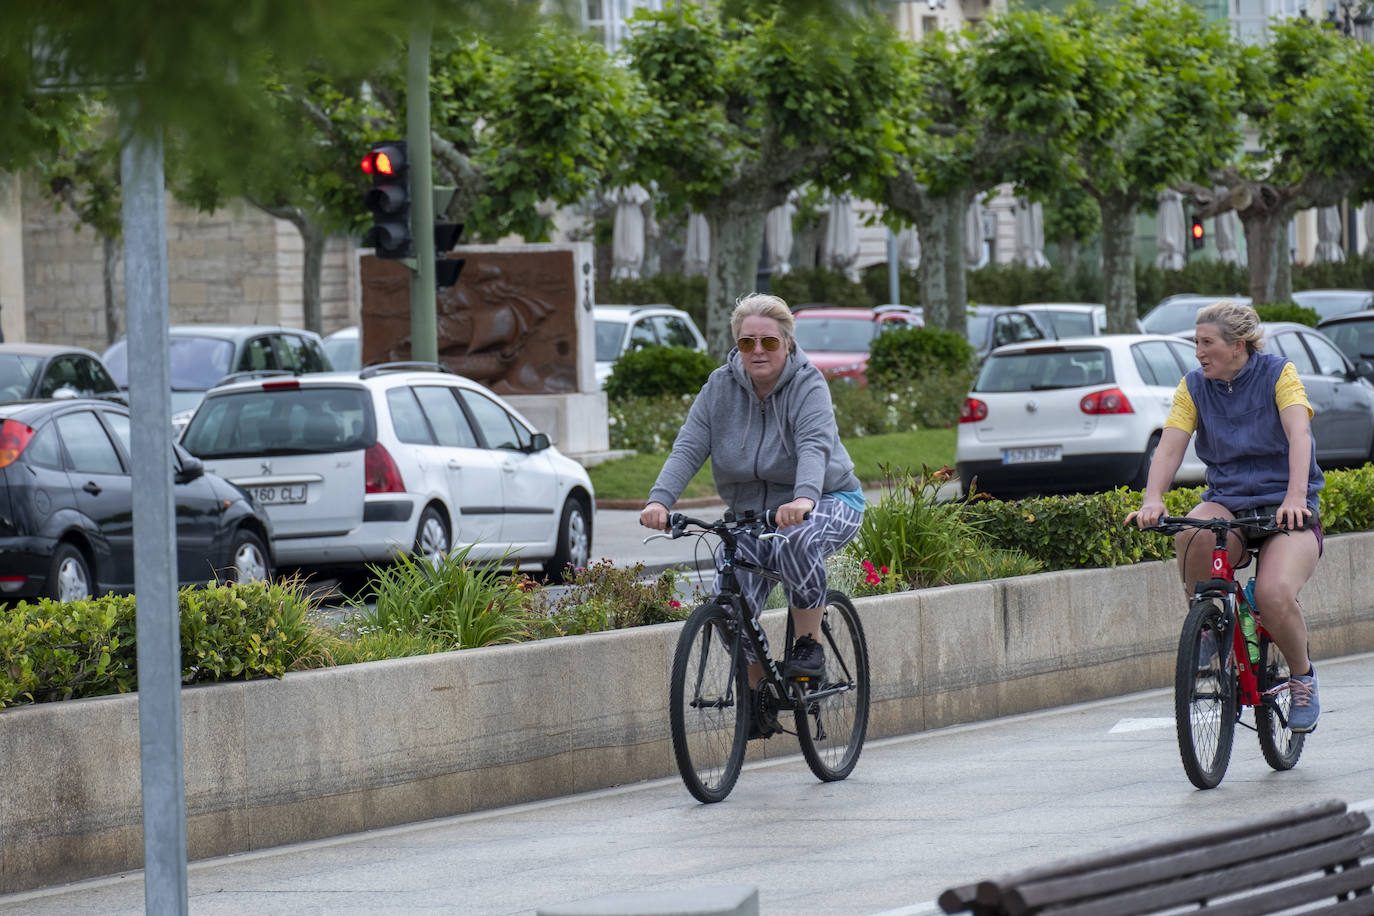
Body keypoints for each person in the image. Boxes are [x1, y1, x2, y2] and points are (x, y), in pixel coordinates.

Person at [640, 293, 865, 736]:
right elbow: (688, 446)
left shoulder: (808, 384)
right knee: (728, 597)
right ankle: (759, 690)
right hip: (752, 512)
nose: (757, 351)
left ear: (787, 343)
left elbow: (814, 446)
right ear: (736, 347)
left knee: (796, 540)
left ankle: (808, 643)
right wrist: (659, 501)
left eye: (768, 342)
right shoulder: (719, 388)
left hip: (828, 498)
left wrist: (803, 499)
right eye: (747, 344)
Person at [1128, 301, 1323, 732]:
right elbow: (1171, 445)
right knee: (1194, 532)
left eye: (1206, 343)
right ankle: (1208, 629)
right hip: (1229, 503)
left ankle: (1302, 677)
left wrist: (1295, 497)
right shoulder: (1193, 386)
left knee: (1273, 594)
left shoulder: (1279, 374)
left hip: (1284, 508)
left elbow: (1299, 434)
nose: (1198, 351)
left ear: (1238, 346)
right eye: (1196, 342)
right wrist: (1153, 498)